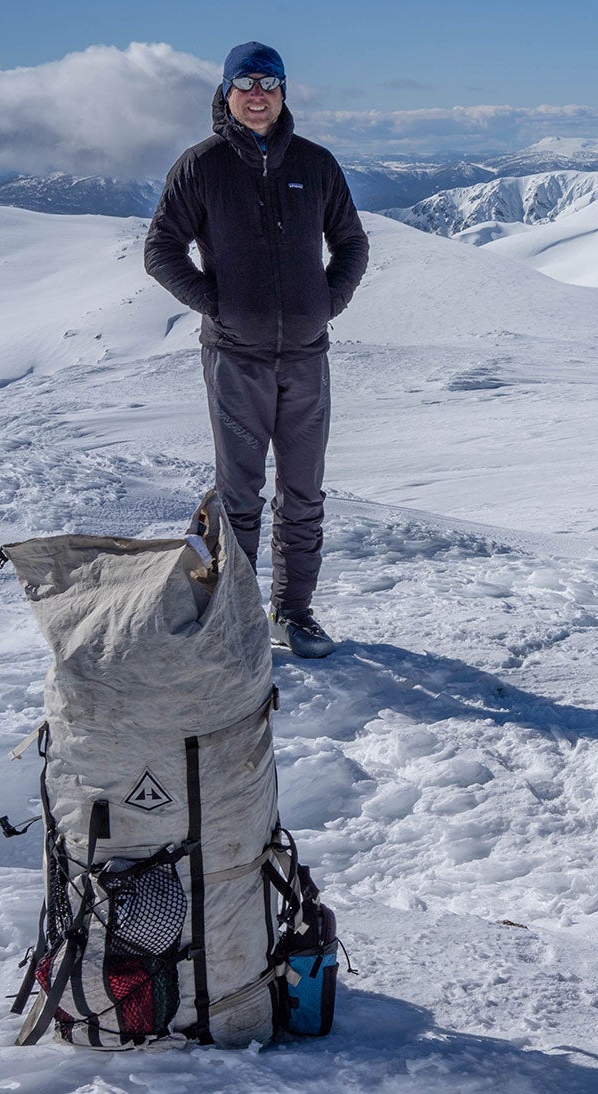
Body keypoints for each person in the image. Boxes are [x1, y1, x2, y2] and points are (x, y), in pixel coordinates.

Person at [145, 41, 370, 658]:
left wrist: (327, 302)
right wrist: (217, 303)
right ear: (225, 93)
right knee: (240, 495)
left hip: (305, 354)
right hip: (234, 357)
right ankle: (235, 617)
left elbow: (351, 243)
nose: (257, 94)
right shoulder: (202, 166)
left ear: (283, 91)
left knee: (304, 493)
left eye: (268, 83)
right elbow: (161, 248)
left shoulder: (316, 164)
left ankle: (292, 613)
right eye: (244, 83)